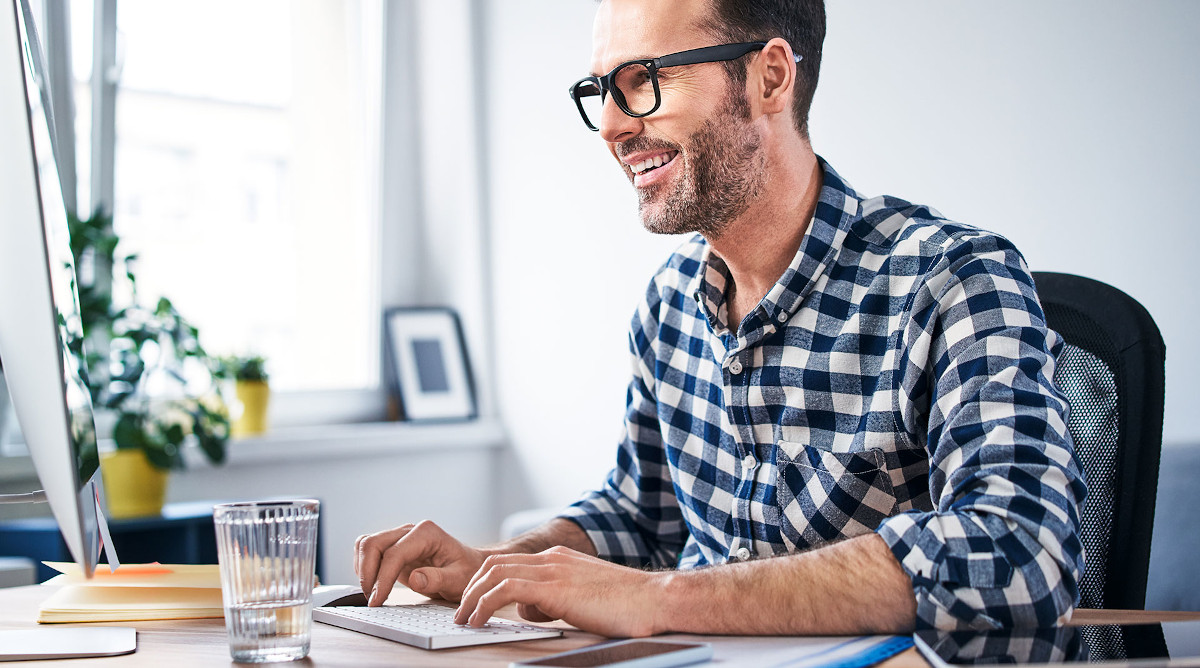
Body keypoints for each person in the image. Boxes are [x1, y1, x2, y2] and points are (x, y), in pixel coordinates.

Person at [356, 0, 1086, 636]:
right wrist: (497, 566)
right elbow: (640, 517)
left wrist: (663, 599)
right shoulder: (669, 304)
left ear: (769, 76)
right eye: (601, 89)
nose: (610, 125)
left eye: (646, 80)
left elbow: (1019, 550)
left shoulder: (950, 280)